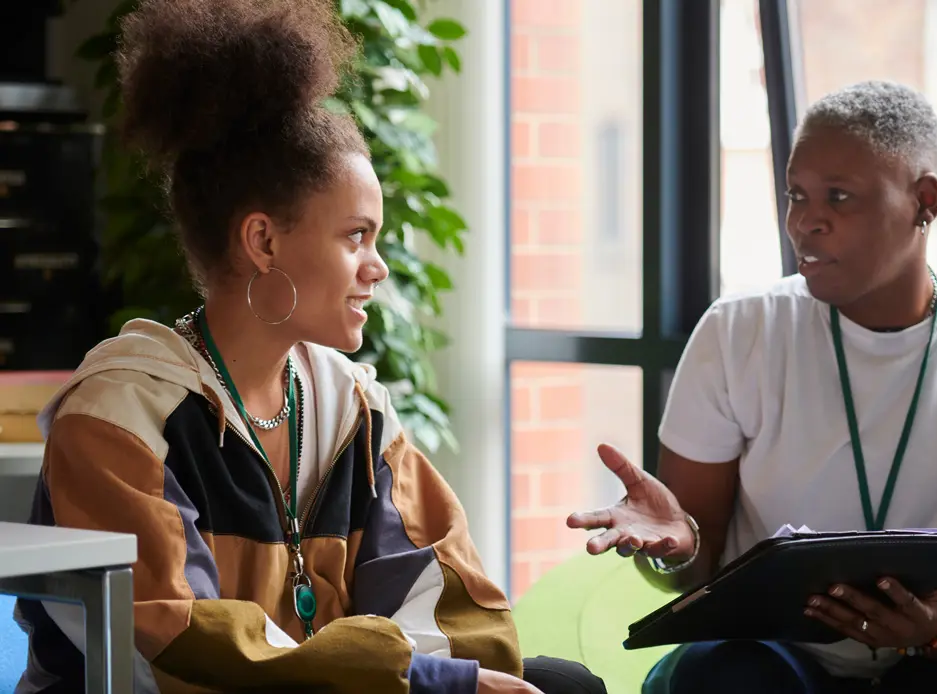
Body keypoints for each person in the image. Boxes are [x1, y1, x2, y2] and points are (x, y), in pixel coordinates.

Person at [12, 1, 605, 693]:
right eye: (356, 235)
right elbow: (175, 646)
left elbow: (456, 604)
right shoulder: (117, 418)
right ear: (263, 241)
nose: (377, 265)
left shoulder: (353, 409)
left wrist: (419, 676)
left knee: (565, 684)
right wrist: (415, 680)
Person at [567, 80, 937, 693]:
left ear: (923, 201)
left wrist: (931, 628)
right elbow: (695, 578)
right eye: (796, 195)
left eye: (838, 198)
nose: (804, 222)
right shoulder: (737, 332)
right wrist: (681, 550)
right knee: (723, 674)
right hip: (775, 657)